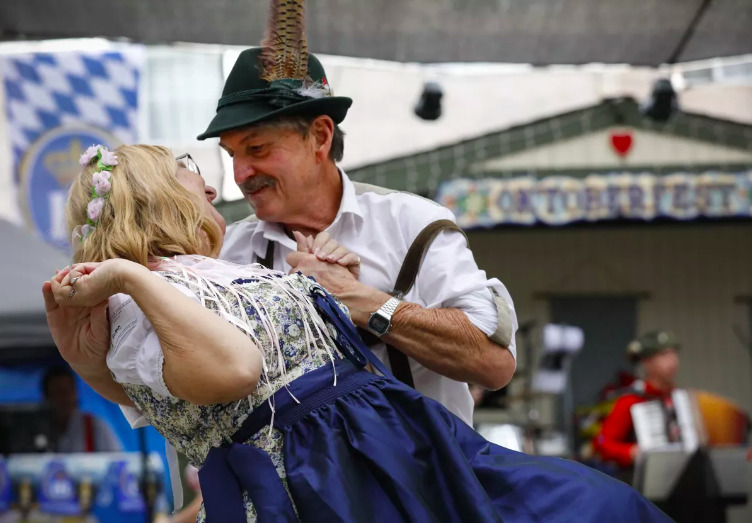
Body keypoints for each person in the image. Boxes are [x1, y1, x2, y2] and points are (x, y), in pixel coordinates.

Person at [44, 144, 670, 522]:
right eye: (191, 171)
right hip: (334, 479)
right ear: (155, 199)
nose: (217, 182)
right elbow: (228, 374)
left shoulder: (212, 270)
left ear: (319, 140)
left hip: (395, 444)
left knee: (600, 507)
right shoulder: (144, 298)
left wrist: (326, 291)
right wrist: (129, 275)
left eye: (255, 149)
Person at [193, 0, 517, 426]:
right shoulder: (224, 254)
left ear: (320, 137)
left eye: (257, 149)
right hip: (285, 494)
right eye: (231, 154)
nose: (240, 174)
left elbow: (493, 364)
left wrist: (358, 300)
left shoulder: (411, 224)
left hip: (419, 486)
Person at [593, 330, 681, 470]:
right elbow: (602, 442)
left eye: (674, 353)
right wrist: (631, 451)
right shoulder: (632, 400)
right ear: (647, 362)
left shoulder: (680, 399)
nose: (673, 360)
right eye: (664, 355)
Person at [41, 365, 121, 453]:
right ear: (46, 397)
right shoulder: (38, 429)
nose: (63, 399)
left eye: (66, 392)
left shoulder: (95, 426)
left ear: (75, 393)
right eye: (57, 393)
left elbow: (116, 462)